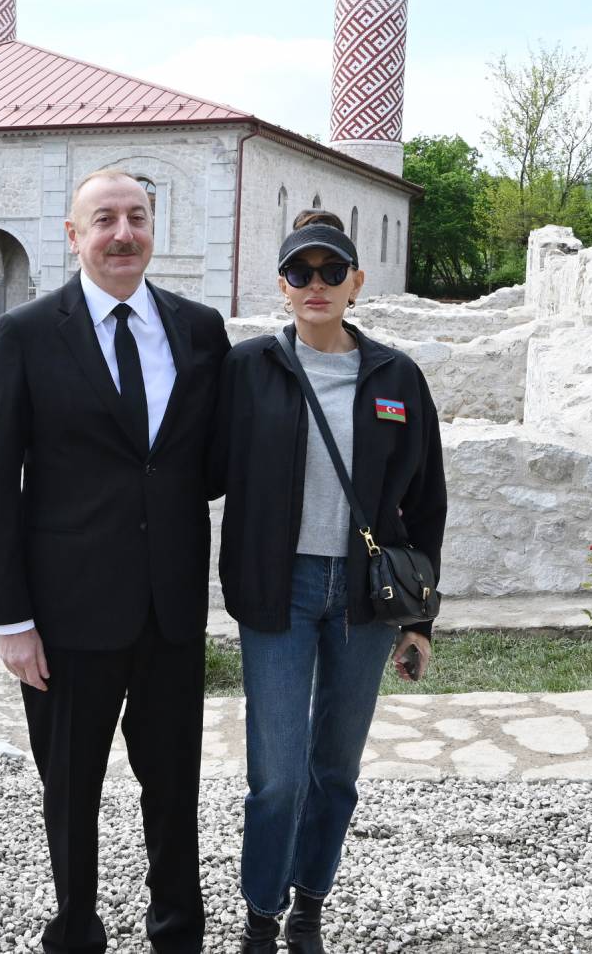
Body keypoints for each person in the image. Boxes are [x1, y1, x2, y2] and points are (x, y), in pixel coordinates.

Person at [0, 168, 232, 954]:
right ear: (74, 235)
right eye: (105, 220)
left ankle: (178, 932)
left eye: (138, 218)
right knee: (71, 791)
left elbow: (212, 463)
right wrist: (12, 619)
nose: (124, 234)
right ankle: (76, 930)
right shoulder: (24, 335)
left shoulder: (199, 330)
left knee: (173, 787)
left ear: (154, 229)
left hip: (171, 610)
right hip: (67, 613)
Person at [211, 211, 447, 954]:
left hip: (364, 602)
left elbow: (428, 500)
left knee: (335, 771)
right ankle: (260, 917)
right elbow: (198, 469)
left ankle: (310, 904)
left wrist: (420, 623)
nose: (316, 285)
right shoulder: (247, 369)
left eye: (330, 271)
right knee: (277, 776)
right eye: (300, 272)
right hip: (274, 595)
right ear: (281, 285)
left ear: (356, 282)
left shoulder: (395, 376)